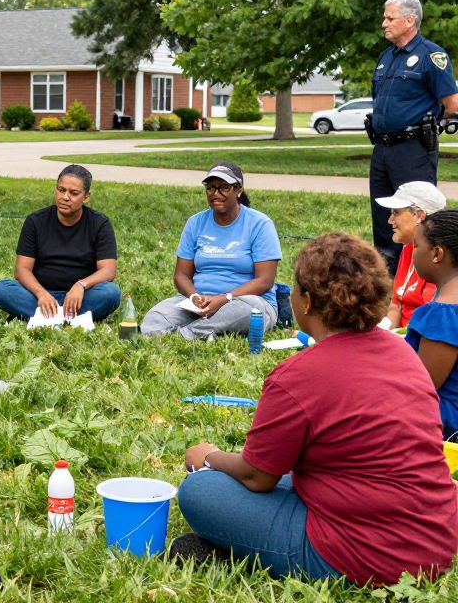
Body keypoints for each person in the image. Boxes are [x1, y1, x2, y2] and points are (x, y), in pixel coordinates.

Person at [173, 233, 458, 585]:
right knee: (289, 478)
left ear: (306, 301)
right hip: (436, 543)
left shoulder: (297, 375)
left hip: (365, 557)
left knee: (200, 491)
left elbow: (257, 478)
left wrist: (208, 457)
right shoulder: (402, 352)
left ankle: (240, 551)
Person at [369, 0, 458, 274]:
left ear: (410, 21)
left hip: (413, 150)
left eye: (390, 18)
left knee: (416, 213)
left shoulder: (432, 56)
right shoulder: (386, 57)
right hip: (382, 148)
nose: (384, 23)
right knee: (383, 213)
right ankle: (388, 273)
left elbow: (452, 103)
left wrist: (429, 127)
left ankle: (419, 272)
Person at [141, 162, 280, 339]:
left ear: (238, 190)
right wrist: (194, 297)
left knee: (249, 311)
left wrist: (225, 298)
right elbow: (181, 275)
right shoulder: (195, 223)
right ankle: (196, 330)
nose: (215, 194)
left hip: (245, 300)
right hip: (200, 301)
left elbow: (264, 280)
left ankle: (188, 334)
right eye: (210, 187)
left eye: (224, 188)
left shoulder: (260, 224)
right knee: (155, 318)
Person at [0, 165, 121, 321]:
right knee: (0, 289)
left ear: (86, 196)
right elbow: (22, 269)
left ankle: (45, 317)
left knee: (111, 293)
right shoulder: (35, 221)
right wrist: (41, 294)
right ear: (56, 189)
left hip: (82, 296)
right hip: (40, 295)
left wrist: (81, 285)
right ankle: (70, 318)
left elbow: (108, 270)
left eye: (74, 193)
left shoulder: (99, 224)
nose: (65, 197)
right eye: (61, 190)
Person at [404, 209, 458, 440]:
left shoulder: (443, 317)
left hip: (444, 429)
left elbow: (421, 389)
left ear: (437, 253)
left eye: (416, 246)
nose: (412, 253)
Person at [375, 181, 446, 328]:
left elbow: (431, 320)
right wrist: (385, 329)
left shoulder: (439, 257)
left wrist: (402, 337)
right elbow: (396, 304)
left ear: (419, 216)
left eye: (396, 213)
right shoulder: (409, 246)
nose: (390, 220)